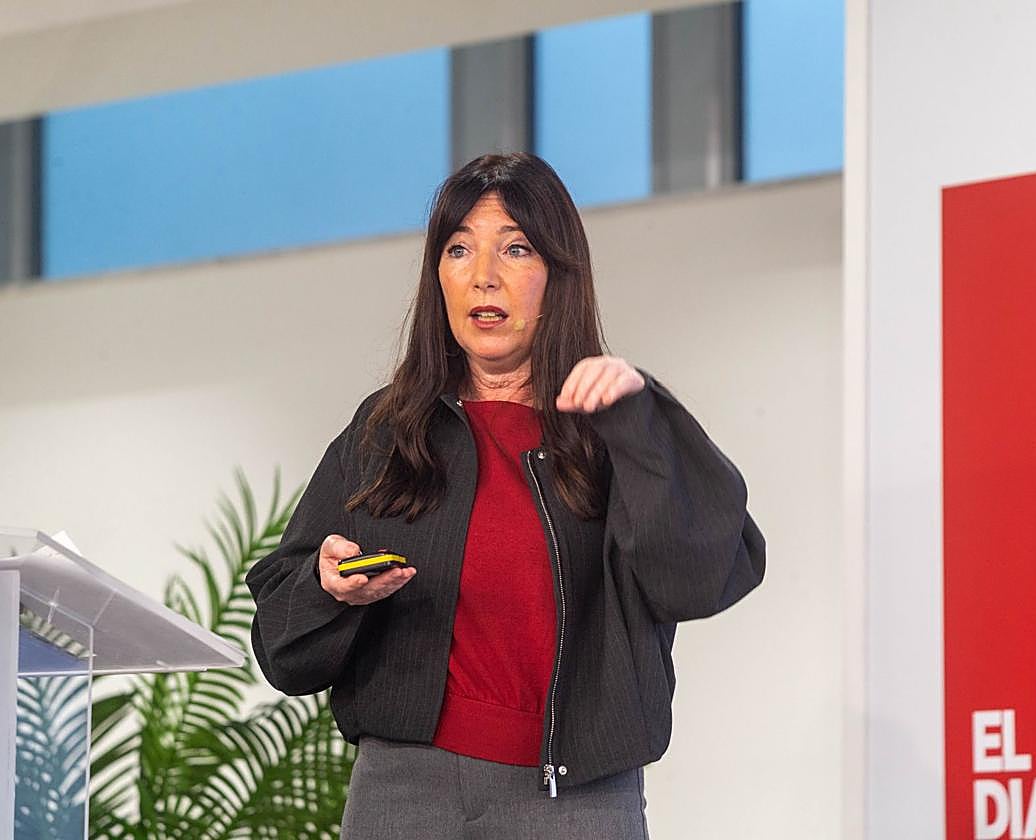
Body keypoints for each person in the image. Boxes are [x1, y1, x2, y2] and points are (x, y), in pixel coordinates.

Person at [246, 152, 766, 840]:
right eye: (459, 248)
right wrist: (326, 588)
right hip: (402, 792)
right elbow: (283, 646)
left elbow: (703, 577)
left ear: (558, 274)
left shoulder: (612, 426)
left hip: (578, 799)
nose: (482, 274)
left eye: (515, 247)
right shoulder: (385, 431)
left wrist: (643, 421)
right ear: (439, 277)